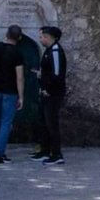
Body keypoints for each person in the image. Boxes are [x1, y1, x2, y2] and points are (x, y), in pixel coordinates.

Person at [0, 25, 24, 163]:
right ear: (19, 37)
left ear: (6, 34)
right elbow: (19, 77)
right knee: (5, 123)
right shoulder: (17, 53)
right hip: (10, 92)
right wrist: (21, 96)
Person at [34, 25, 67, 165]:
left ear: (48, 37)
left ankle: (57, 154)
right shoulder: (48, 51)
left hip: (53, 94)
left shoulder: (55, 51)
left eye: (42, 36)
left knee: (51, 124)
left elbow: (57, 74)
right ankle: (45, 150)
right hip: (46, 93)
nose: (40, 39)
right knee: (44, 123)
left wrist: (48, 88)